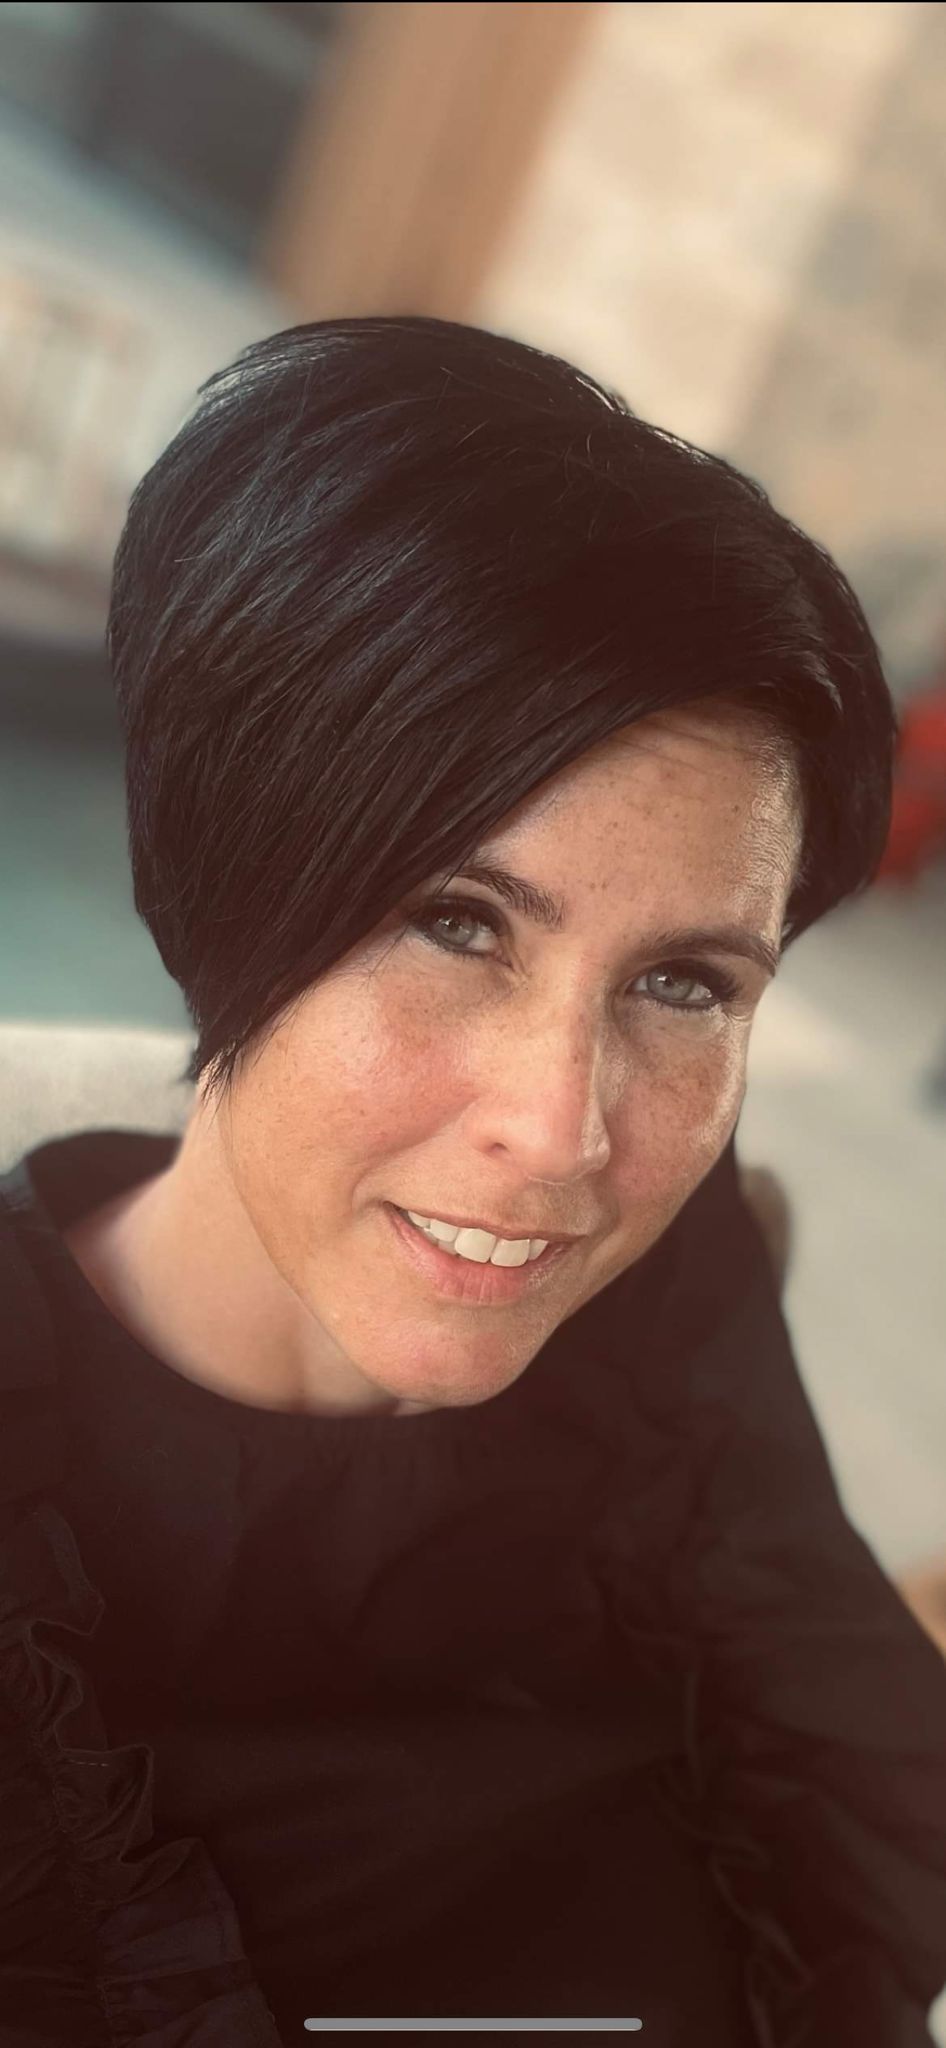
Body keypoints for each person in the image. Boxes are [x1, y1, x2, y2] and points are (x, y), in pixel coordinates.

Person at [2, 317, 945, 2048]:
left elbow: (836, 1769)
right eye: (455, 922)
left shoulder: (671, 1278)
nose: (566, 1133)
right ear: (224, 887)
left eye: (684, 983)